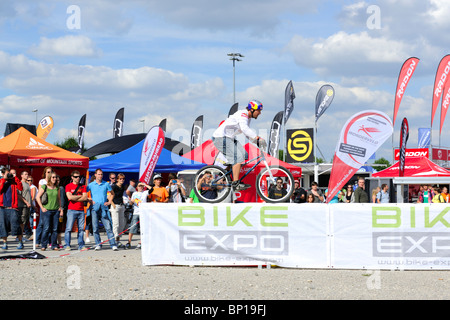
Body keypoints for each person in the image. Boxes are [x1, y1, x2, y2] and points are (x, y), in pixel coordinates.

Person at [212, 100, 266, 191]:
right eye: (259, 111)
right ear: (252, 110)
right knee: (238, 157)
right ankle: (236, 182)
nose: (260, 113)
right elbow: (245, 129)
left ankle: (227, 172)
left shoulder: (247, 118)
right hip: (220, 138)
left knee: (244, 154)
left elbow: (246, 133)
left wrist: (256, 142)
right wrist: (257, 138)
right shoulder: (243, 114)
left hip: (229, 138)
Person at [87, 169, 118, 251]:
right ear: (95, 175)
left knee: (108, 227)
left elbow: (112, 193)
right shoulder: (91, 185)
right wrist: (89, 200)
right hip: (95, 208)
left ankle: (113, 244)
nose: (100, 176)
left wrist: (110, 201)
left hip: (104, 208)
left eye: (101, 174)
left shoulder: (106, 184)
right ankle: (98, 244)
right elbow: (84, 193)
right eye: (99, 174)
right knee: (95, 227)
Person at [36, 172, 62, 251]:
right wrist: (42, 207)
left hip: (55, 210)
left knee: (55, 229)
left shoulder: (57, 188)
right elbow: (37, 197)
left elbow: (59, 198)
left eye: (55, 177)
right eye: (53, 177)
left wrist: (60, 207)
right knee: (46, 228)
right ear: (50, 178)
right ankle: (43, 245)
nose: (55, 179)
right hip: (47, 210)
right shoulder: (45, 186)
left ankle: (54, 245)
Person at [0, 168, 24, 250]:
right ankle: (5, 243)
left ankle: (20, 242)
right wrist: (4, 180)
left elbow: (21, 188)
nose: (9, 175)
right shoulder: (1, 181)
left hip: (13, 207)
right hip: (3, 207)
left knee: (16, 225)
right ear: (3, 174)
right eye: (7, 173)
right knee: (3, 226)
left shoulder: (13, 181)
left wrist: (15, 178)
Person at [64, 170, 87, 250]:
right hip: (71, 210)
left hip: (81, 210)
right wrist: (79, 196)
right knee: (69, 228)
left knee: (81, 229)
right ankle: (67, 245)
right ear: (72, 177)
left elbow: (85, 197)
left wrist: (75, 198)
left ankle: (81, 245)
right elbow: (69, 197)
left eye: (79, 177)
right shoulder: (68, 186)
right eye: (76, 177)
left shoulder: (83, 186)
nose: (78, 178)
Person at [127, 182, 151, 249]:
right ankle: (129, 242)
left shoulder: (145, 192)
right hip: (136, 212)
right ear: (137, 187)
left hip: (143, 213)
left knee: (143, 229)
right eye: (139, 186)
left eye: (141, 186)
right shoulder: (134, 193)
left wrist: (145, 184)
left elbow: (152, 189)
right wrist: (131, 201)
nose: (140, 187)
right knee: (132, 228)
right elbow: (131, 203)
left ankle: (141, 242)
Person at [110, 173, 127, 247]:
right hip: (115, 206)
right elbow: (109, 196)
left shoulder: (122, 187)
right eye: (120, 179)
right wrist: (113, 204)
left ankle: (118, 240)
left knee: (121, 224)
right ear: (117, 179)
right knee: (116, 224)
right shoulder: (114, 187)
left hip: (121, 205)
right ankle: (114, 241)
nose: (122, 180)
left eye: (123, 179)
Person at [18, 171, 32, 238]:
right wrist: (26, 202)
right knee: (22, 222)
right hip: (22, 206)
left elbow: (28, 195)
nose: (27, 175)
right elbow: (19, 195)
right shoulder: (20, 183)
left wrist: (33, 206)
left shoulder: (27, 184)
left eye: (27, 174)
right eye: (25, 174)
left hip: (27, 206)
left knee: (25, 222)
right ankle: (20, 237)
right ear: (21, 176)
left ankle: (21, 237)